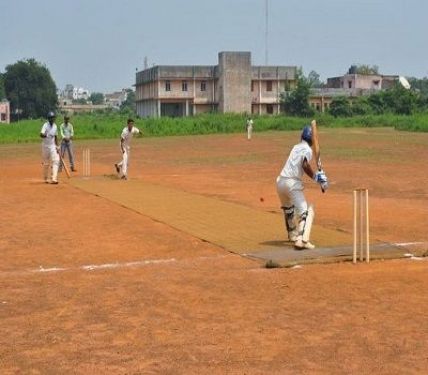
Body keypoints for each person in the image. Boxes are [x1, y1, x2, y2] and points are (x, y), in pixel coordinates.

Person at [276, 125, 328, 250]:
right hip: (292, 184)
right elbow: (304, 165)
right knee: (306, 212)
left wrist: (318, 176)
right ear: (312, 141)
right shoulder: (308, 150)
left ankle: (293, 235)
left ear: (302, 136)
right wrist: (317, 177)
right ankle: (302, 240)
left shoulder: (296, 147)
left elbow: (301, 164)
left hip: (280, 182)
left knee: (289, 209)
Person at [40, 111, 60, 184]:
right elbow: (41, 134)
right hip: (45, 146)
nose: (52, 119)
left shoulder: (55, 126)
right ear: (48, 119)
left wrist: (57, 146)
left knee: (56, 160)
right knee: (46, 163)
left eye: (53, 118)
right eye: (50, 118)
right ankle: (45, 178)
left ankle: (54, 178)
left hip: (52, 146)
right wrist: (46, 135)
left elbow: (56, 136)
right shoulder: (45, 125)